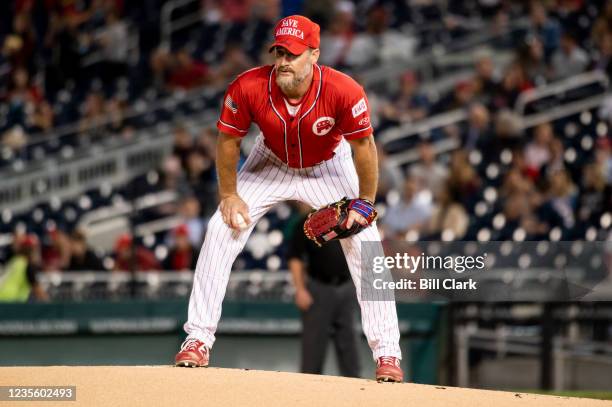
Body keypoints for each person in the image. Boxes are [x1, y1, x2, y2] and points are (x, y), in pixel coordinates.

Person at [174, 15, 403, 382]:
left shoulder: (343, 90)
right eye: (279, 52)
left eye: (292, 54)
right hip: (271, 162)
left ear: (314, 54)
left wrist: (365, 201)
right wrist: (230, 194)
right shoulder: (248, 86)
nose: (282, 61)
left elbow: (364, 146)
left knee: (366, 242)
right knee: (221, 227)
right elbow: (228, 140)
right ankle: (198, 339)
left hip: (329, 165)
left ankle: (388, 352)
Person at [287, 205, 360, 378]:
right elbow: (295, 257)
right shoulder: (306, 222)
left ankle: (357, 397)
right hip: (319, 288)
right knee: (313, 353)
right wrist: (300, 290)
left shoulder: (348, 217)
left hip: (346, 286)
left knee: (350, 351)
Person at [0, 234, 48, 302]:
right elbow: (37, 289)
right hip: (10, 300)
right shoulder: (27, 265)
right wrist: (49, 303)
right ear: (31, 250)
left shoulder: (15, 260)